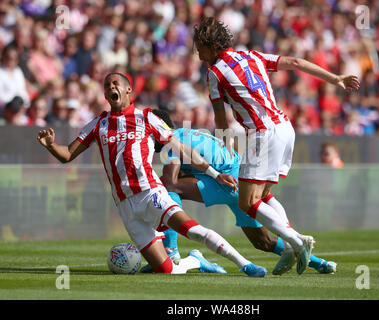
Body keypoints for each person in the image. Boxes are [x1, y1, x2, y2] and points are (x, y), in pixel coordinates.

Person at [37, 72, 267, 277]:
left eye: (115, 83)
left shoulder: (146, 118)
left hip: (151, 192)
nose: (110, 88)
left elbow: (182, 149)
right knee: (166, 270)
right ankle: (195, 260)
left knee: (193, 230)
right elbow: (67, 154)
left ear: (129, 89)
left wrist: (215, 175)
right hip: (125, 205)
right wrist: (50, 145)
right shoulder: (98, 124)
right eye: (107, 86)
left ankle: (245, 265)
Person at [193, 17, 360, 275]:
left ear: (213, 45)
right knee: (265, 196)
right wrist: (335, 78)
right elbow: (295, 62)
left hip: (263, 133)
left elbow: (219, 118)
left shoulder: (214, 73)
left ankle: (296, 241)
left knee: (247, 202)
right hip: (284, 127)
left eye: (200, 46)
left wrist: (225, 149)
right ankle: (293, 247)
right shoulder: (252, 56)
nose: (197, 52)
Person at [140, 110, 337, 274]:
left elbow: (169, 181)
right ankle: (320, 263)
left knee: (166, 189)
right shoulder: (187, 133)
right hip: (239, 176)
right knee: (263, 242)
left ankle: (171, 250)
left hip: (227, 181)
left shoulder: (172, 143)